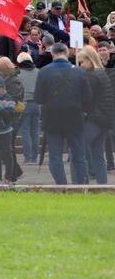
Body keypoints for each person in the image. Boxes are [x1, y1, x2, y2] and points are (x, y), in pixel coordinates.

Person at [34, 42, 92, 185]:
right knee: (79, 155)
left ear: (52, 54)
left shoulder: (44, 71)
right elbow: (88, 98)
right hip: (75, 117)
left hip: (52, 118)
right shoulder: (79, 72)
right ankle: (81, 186)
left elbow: (38, 98)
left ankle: (62, 186)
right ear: (67, 53)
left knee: (55, 156)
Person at [77, 46, 114, 185]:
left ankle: (81, 184)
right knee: (98, 154)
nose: (81, 65)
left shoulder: (92, 76)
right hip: (105, 118)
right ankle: (102, 186)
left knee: (79, 149)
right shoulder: (101, 73)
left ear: (89, 60)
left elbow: (86, 99)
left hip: (94, 118)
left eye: (82, 62)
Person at [15, 52, 41, 164]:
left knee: (25, 130)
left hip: (23, 103)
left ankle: (28, 157)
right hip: (37, 103)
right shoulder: (38, 72)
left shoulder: (17, 73)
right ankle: (35, 157)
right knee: (35, 131)